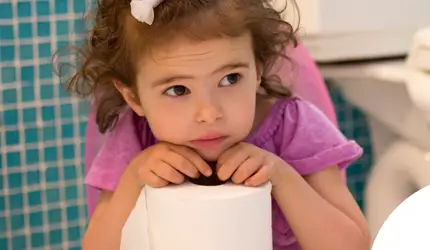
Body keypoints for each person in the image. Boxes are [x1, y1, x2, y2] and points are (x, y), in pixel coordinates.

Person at [62, 0, 370, 249]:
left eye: (230, 79)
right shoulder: (135, 136)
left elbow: (354, 245)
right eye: (178, 90)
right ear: (133, 97)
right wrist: (133, 179)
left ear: (257, 72)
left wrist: (282, 177)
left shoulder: (294, 127)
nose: (208, 113)